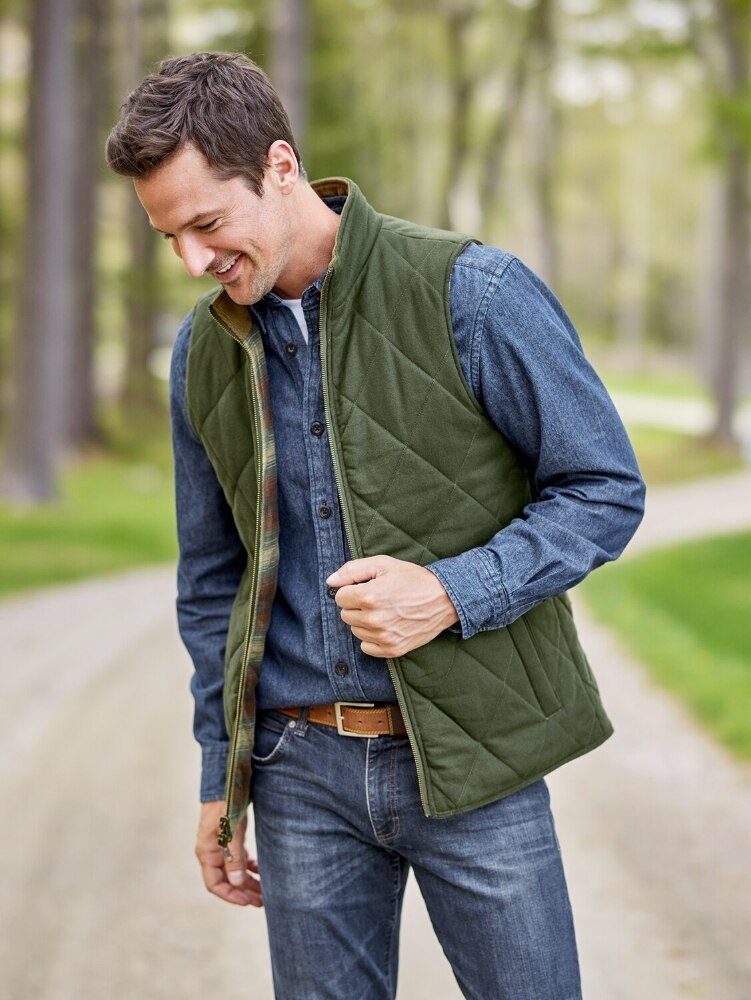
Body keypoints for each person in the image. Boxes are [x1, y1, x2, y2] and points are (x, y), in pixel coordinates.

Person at [106, 51, 645, 1000]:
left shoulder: (472, 293)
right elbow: (212, 583)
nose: (193, 261)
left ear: (279, 166)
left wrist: (449, 592)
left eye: (207, 224)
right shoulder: (202, 350)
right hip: (297, 774)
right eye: (169, 237)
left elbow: (602, 487)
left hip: (476, 758)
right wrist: (220, 779)